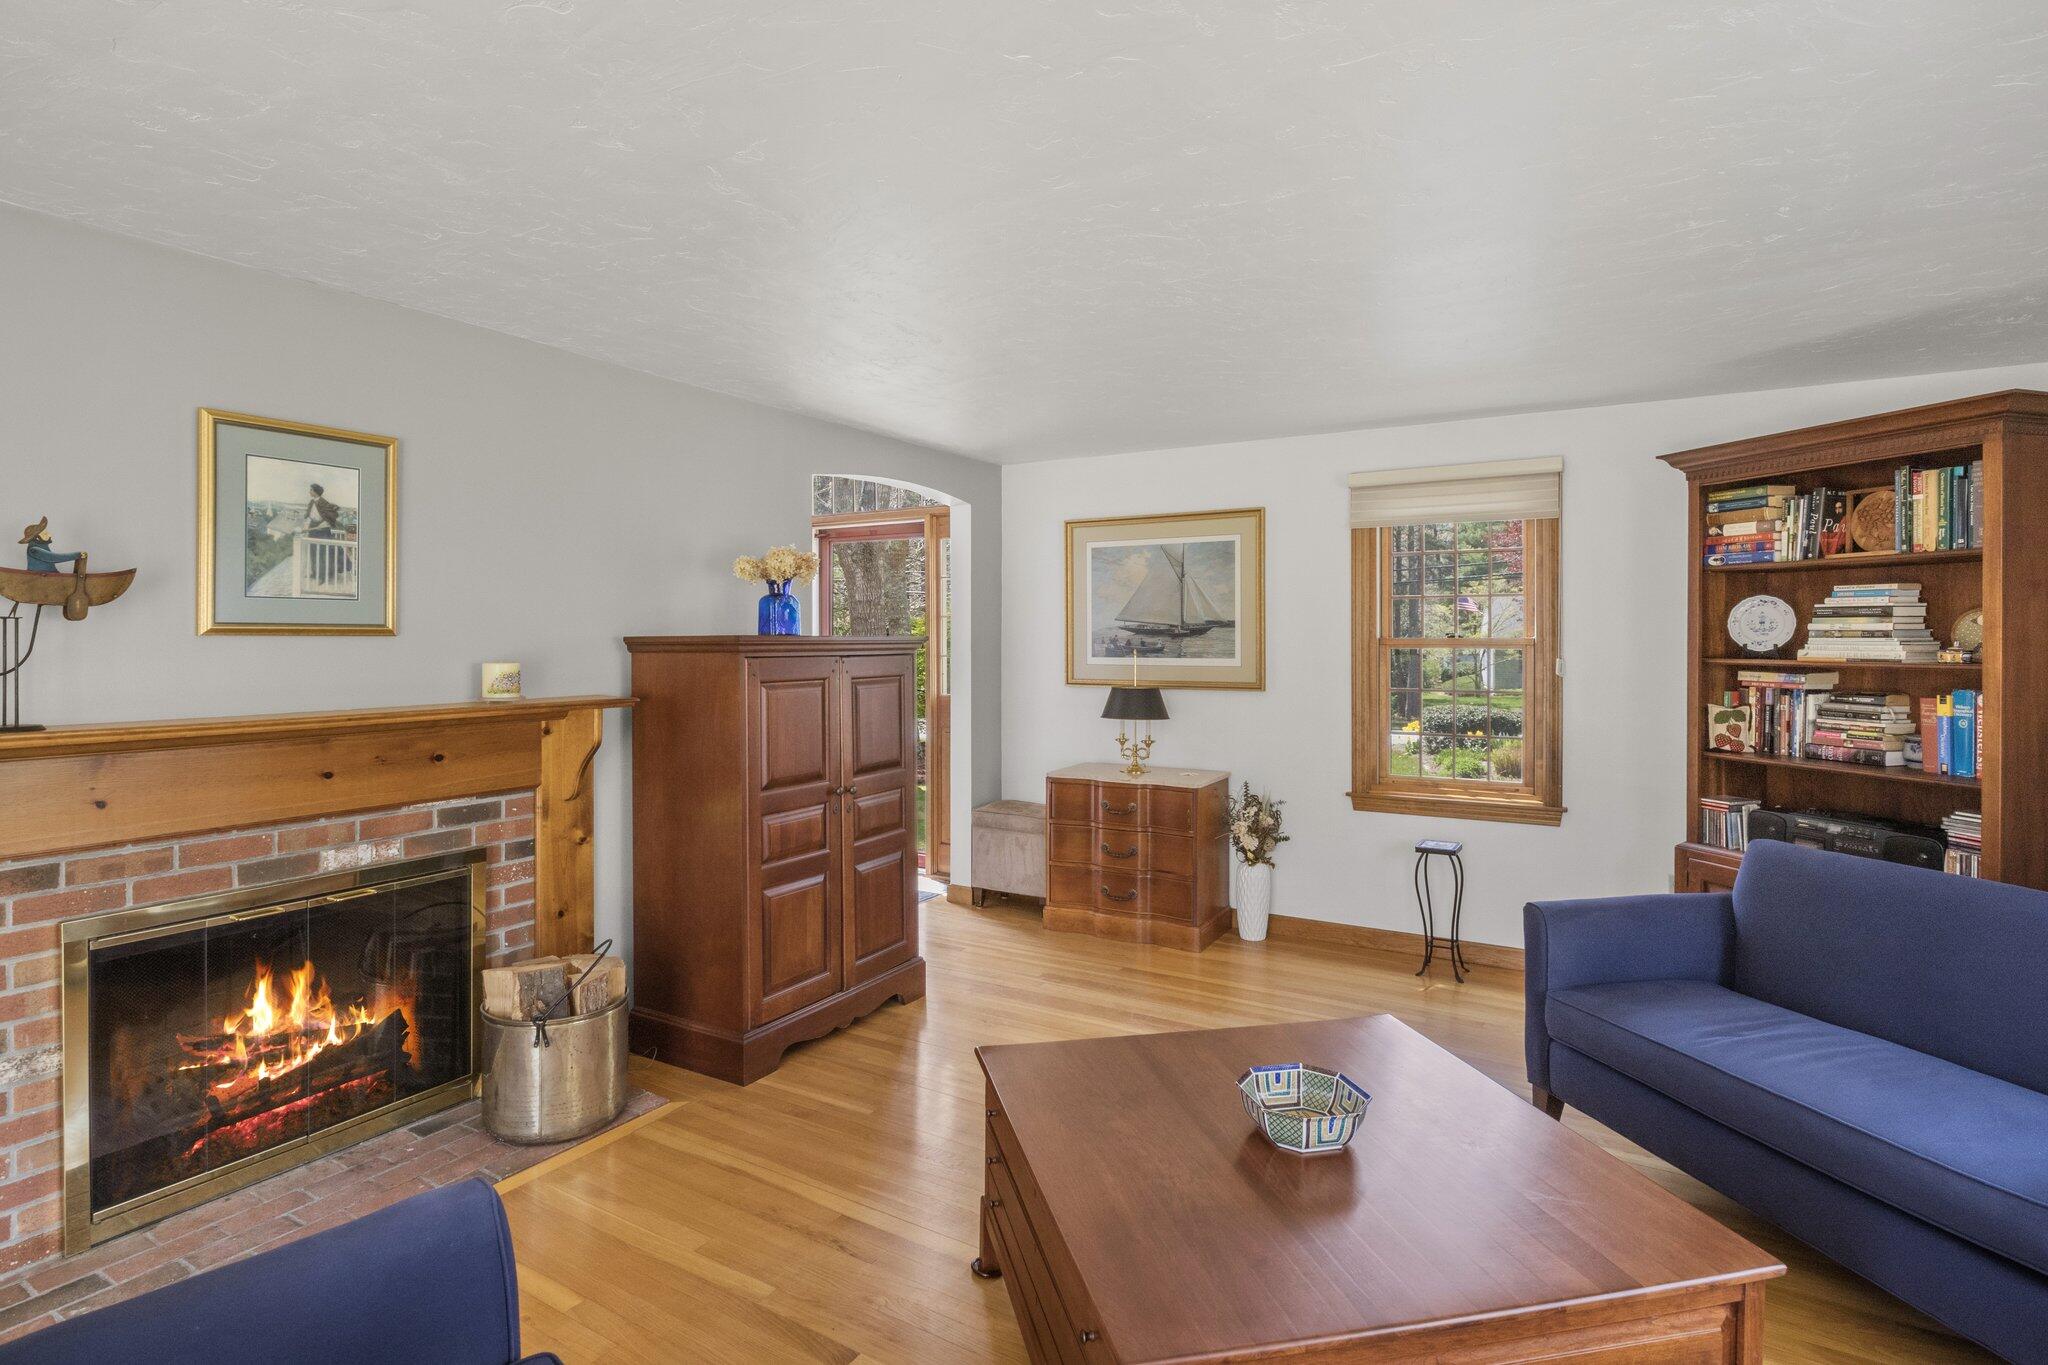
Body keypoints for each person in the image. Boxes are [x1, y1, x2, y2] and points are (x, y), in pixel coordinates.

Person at [19, 517, 83, 574]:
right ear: (37, 537)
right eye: (45, 534)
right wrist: (77, 555)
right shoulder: (34, 550)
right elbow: (53, 558)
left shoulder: (42, 546)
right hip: (40, 578)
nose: (49, 535)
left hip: (49, 575)